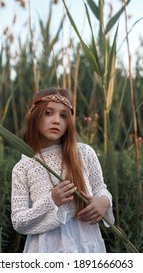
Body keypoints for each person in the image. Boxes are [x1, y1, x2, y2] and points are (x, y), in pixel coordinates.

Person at [11, 87, 114, 253]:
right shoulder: (24, 167)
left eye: (63, 115)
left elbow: (100, 188)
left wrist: (104, 202)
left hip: (86, 246)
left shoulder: (84, 153)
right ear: (34, 116)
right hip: (46, 250)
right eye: (48, 113)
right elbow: (18, 221)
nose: (56, 120)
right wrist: (51, 201)